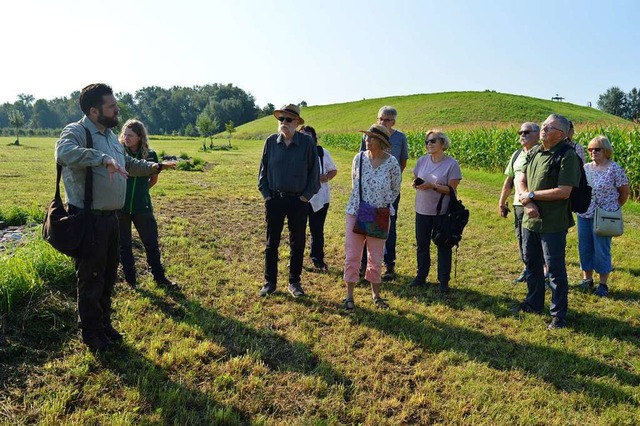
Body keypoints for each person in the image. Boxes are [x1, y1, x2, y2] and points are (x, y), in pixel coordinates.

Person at [55, 83, 176, 350]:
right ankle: (91, 334)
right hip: (89, 219)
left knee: (109, 275)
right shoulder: (77, 131)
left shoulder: (111, 136)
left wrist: (155, 166)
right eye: (111, 106)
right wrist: (100, 159)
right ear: (94, 110)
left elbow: (129, 165)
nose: (117, 109)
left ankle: (103, 324)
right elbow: (62, 153)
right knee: (91, 277)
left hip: (111, 218)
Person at [515, 114, 581, 330]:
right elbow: (521, 178)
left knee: (554, 270)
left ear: (560, 134)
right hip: (530, 221)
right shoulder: (535, 151)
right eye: (543, 125)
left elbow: (564, 191)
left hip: (552, 224)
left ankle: (558, 315)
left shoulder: (567, 155)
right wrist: (528, 201)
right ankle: (533, 303)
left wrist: (532, 196)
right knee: (531, 264)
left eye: (548, 127)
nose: (542, 129)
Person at [258, 104, 320, 298]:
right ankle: (270, 282)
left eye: (288, 120)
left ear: (297, 122)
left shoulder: (307, 144)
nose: (283, 123)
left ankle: (295, 282)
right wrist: (267, 195)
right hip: (274, 200)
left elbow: (314, 175)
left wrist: (305, 197)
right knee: (271, 243)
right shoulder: (270, 142)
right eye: (281, 119)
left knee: (297, 243)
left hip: (298, 202)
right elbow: (262, 173)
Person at [344, 124, 402, 311]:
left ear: (382, 142)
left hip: (379, 213)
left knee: (375, 257)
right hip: (358, 210)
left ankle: (376, 295)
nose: (367, 140)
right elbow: (354, 183)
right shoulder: (358, 158)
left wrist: (380, 205)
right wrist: (366, 203)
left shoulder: (392, 162)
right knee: (352, 256)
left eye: (371, 138)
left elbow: (395, 189)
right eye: (366, 137)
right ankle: (349, 296)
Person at [117, 119, 178, 290]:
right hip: (121, 206)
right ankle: (131, 280)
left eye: (130, 135)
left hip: (142, 206)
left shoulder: (150, 155)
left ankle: (159, 277)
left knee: (151, 242)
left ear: (139, 137)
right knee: (124, 245)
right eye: (124, 135)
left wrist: (141, 191)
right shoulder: (119, 153)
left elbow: (153, 180)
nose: (126, 138)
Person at [409, 129, 462, 294]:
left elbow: (452, 190)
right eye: (427, 142)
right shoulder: (422, 161)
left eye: (433, 141)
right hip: (422, 209)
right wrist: (416, 183)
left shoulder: (452, 164)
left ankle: (443, 281)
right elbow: (415, 177)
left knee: (443, 245)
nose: (429, 144)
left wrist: (432, 186)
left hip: (442, 212)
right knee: (422, 245)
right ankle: (421, 276)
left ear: (442, 143)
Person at [359, 106, 408, 280]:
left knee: (388, 226)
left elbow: (402, 163)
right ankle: (364, 264)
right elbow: (362, 161)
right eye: (380, 118)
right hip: (367, 193)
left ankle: (389, 264)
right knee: (365, 224)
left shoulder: (400, 138)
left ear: (393, 121)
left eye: (386, 119)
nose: (382, 122)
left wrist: (388, 181)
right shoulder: (368, 135)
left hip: (388, 193)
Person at [576, 136, 629, 297]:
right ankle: (587, 279)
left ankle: (603, 284)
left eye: (596, 149)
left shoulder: (615, 169)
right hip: (585, 214)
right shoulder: (585, 168)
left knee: (602, 249)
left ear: (606, 150)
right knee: (585, 247)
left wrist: (613, 207)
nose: (592, 152)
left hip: (605, 216)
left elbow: (624, 193)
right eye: (590, 149)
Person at [498, 123, 540, 283]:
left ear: (537, 135)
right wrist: (502, 201)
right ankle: (527, 269)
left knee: (535, 241)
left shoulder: (541, 154)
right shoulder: (516, 155)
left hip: (537, 204)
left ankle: (541, 273)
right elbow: (509, 180)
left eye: (526, 132)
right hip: (518, 204)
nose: (522, 135)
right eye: (520, 132)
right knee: (521, 238)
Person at [300, 125, 338, 272]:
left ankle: (318, 259)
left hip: (320, 198)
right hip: (300, 198)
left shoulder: (322, 153)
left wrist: (326, 177)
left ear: (314, 138)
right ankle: (297, 259)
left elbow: (333, 170)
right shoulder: (295, 153)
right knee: (298, 231)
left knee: (317, 230)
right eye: (302, 135)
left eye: (308, 135)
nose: (306, 138)